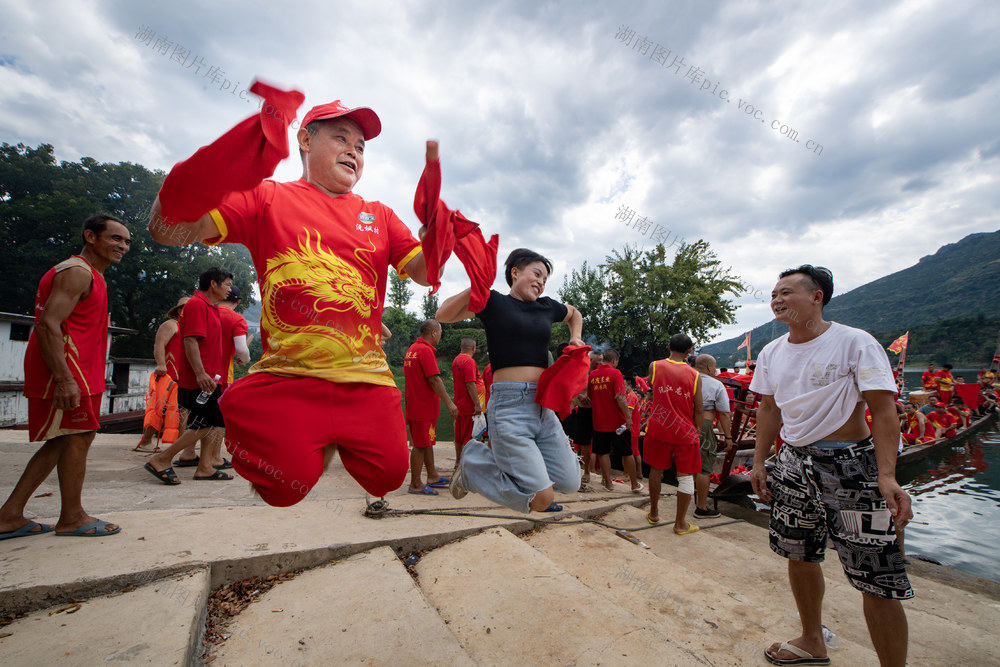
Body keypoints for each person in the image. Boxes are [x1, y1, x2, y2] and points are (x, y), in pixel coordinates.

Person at [148, 100, 432, 506]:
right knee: (283, 489)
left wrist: (439, 238)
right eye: (341, 138)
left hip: (365, 378)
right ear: (305, 140)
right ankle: (259, 417)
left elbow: (424, 272)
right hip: (290, 377)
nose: (353, 151)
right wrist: (204, 172)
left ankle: (324, 439)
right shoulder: (268, 197)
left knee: (387, 476)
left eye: (361, 146)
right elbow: (169, 230)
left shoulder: (379, 215)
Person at [748, 265, 912, 666]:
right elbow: (768, 409)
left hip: (850, 464)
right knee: (799, 554)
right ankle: (812, 640)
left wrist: (887, 475)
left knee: (875, 574)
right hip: (792, 461)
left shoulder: (854, 342)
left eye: (787, 292)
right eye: (774, 294)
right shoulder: (772, 352)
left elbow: (883, 410)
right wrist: (759, 461)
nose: (777, 299)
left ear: (816, 296)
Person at [0, 213, 130, 539]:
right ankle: (71, 517)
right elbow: (48, 324)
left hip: (81, 369)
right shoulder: (77, 272)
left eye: (126, 241)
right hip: (69, 369)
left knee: (68, 439)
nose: (123, 246)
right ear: (90, 236)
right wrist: (63, 378)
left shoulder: (93, 275)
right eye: (115, 238)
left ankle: (10, 515)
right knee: (76, 437)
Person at [437, 248, 583, 513]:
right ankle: (473, 466)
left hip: (543, 406)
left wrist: (575, 337)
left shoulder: (547, 306)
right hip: (509, 405)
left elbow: (574, 313)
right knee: (542, 499)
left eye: (545, 279)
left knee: (571, 482)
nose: (541, 282)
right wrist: (476, 287)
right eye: (537, 273)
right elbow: (443, 315)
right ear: (515, 272)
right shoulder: (493, 302)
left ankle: (487, 465)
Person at [144, 268, 234, 483]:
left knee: (211, 421)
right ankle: (162, 459)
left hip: (212, 378)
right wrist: (200, 374)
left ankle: (205, 467)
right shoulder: (196, 305)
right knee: (204, 424)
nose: (229, 290)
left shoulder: (211, 307)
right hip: (200, 380)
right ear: (213, 284)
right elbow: (190, 340)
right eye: (227, 284)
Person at [644, 334, 703, 533]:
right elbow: (699, 408)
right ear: (689, 351)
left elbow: (651, 385)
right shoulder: (695, 375)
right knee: (685, 477)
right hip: (685, 431)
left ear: (669, 347)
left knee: (656, 470)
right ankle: (680, 524)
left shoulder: (655, 366)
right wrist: (698, 431)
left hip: (659, 427)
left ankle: (654, 513)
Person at [404, 320, 457, 495]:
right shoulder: (425, 351)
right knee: (420, 445)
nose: (440, 336)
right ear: (434, 332)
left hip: (416, 404)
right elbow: (434, 379)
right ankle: (415, 484)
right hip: (423, 406)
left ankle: (432, 475)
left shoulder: (412, 349)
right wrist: (449, 403)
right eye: (440, 333)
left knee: (426, 442)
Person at [134, 296, 189, 452]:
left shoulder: (188, 328)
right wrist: (160, 364)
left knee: (182, 410)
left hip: (183, 376)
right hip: (168, 374)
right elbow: (159, 345)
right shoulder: (170, 325)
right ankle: (146, 441)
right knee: (160, 408)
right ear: (179, 310)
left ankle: (179, 443)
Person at [588, 348, 641, 492]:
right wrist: (628, 417)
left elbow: (590, 397)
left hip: (599, 422)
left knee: (603, 452)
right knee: (627, 452)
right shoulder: (616, 373)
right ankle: (634, 484)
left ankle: (608, 484)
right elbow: (620, 397)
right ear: (614, 360)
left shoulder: (593, 375)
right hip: (618, 422)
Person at [693, 354, 734, 518]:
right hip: (704, 426)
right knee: (704, 468)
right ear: (709, 367)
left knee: (688, 465)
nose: (715, 370)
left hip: (685, 425)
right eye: (714, 367)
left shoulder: (687, 380)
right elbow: (724, 413)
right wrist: (728, 437)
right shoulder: (716, 384)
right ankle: (701, 508)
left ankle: (688, 500)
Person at [451, 336, 483, 469]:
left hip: (459, 404)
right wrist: (477, 404)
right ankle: (466, 464)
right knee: (469, 436)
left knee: (459, 436)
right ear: (473, 348)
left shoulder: (456, 360)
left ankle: (458, 461)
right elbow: (470, 384)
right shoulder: (469, 361)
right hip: (468, 405)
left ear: (461, 347)